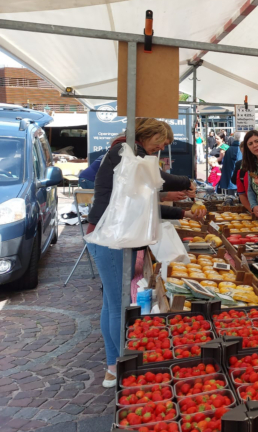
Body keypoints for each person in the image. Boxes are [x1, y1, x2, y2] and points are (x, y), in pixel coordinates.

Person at [87, 118, 204, 388]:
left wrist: (180, 208)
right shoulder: (126, 151)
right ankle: (123, 366)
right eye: (159, 142)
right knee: (118, 306)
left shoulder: (124, 151)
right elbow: (157, 177)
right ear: (147, 134)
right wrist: (187, 181)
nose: (160, 148)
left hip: (108, 234)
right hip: (111, 237)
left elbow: (145, 202)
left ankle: (113, 366)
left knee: (111, 305)